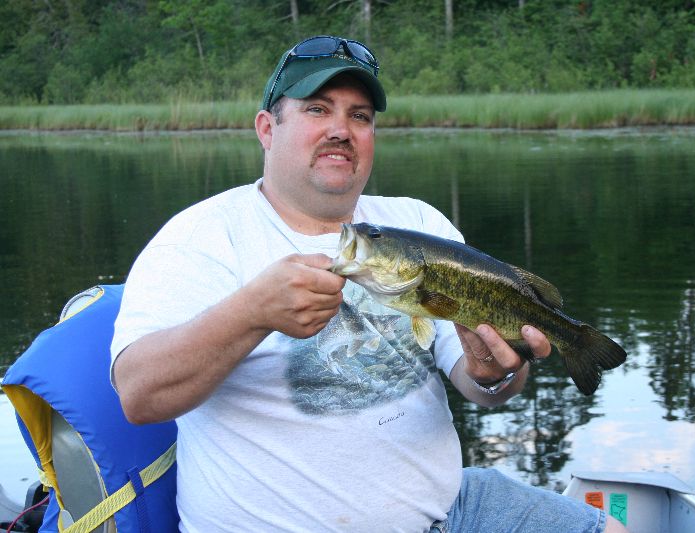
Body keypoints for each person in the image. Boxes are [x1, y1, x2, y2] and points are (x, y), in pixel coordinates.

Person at [111, 35, 627, 533]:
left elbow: (482, 386)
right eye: (318, 109)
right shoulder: (203, 236)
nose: (341, 130)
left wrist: (496, 373)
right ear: (267, 128)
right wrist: (250, 313)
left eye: (359, 116)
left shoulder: (418, 223)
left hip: (452, 511)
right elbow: (139, 396)